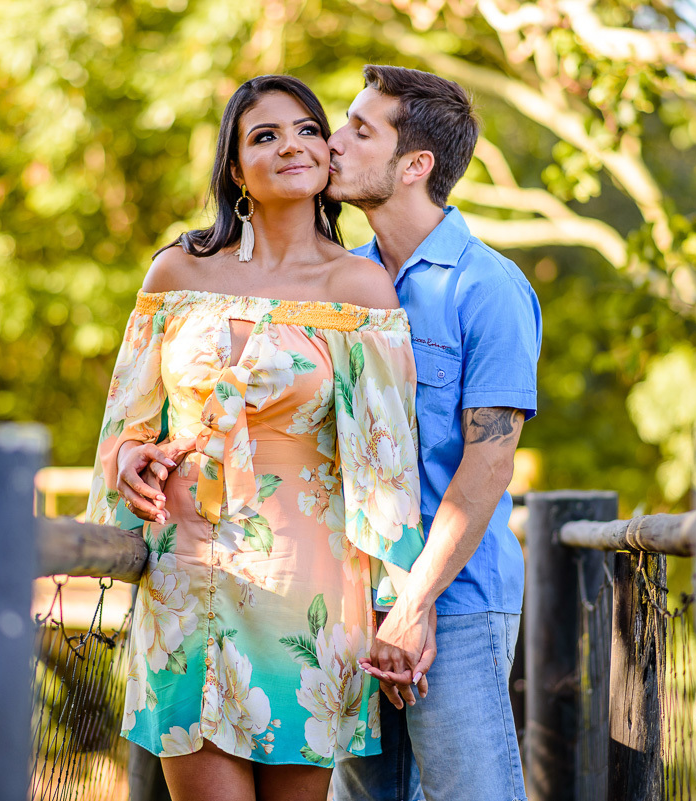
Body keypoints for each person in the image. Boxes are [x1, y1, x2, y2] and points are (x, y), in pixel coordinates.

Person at [83, 74, 428, 801]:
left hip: (309, 601)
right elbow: (126, 420)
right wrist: (128, 461)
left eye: (307, 129)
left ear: (327, 156)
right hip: (186, 585)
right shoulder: (176, 271)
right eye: (264, 136)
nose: (291, 145)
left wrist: (406, 605)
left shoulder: (358, 291)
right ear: (236, 171)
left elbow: (385, 465)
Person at [325, 65, 542, 801]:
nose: (332, 142)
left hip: (456, 600)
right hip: (353, 604)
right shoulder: (343, 283)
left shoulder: (488, 287)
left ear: (415, 165)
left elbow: (488, 468)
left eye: (360, 130)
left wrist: (414, 606)